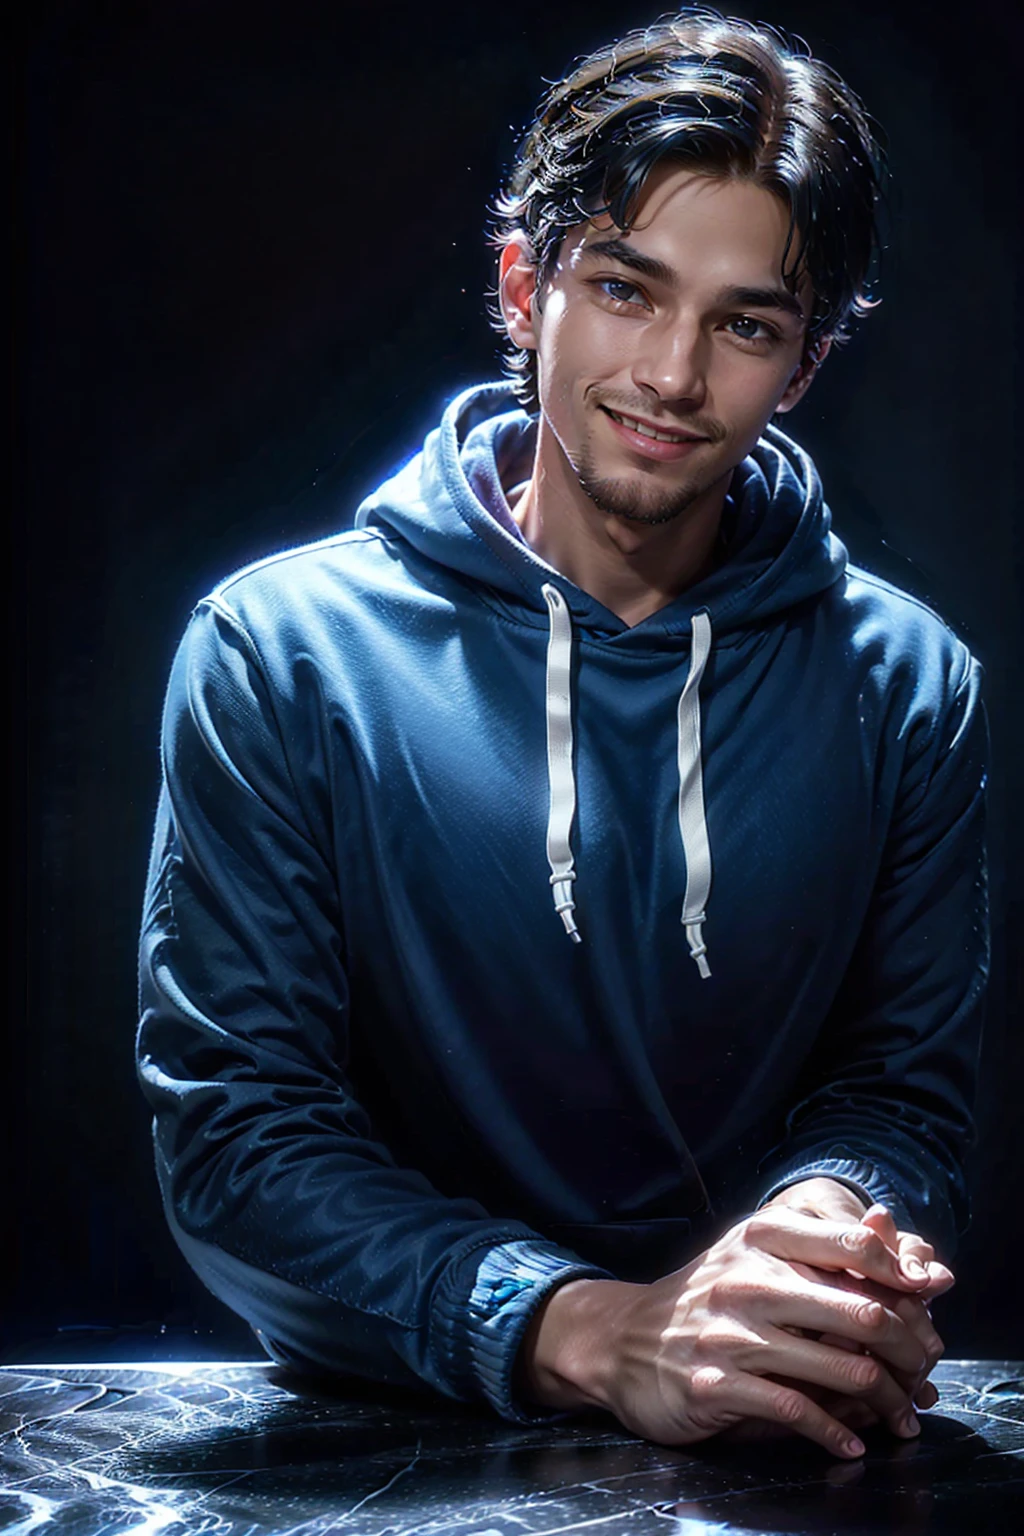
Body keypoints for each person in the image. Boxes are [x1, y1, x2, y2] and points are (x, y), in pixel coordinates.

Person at [137, 8, 989, 1460]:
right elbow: (237, 1144)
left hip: (772, 1425)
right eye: (624, 287)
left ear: (807, 362)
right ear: (526, 283)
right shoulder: (278, 654)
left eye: (745, 324)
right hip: (382, 1445)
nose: (670, 374)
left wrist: (823, 1243)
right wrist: (595, 1328)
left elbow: (902, 1096)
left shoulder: (908, 680)